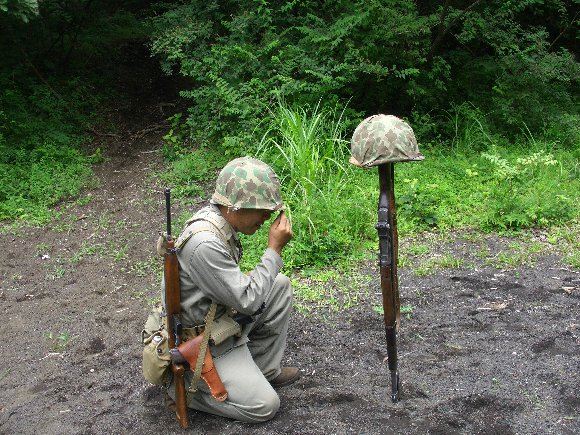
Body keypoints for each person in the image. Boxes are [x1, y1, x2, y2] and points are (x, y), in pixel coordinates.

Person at [163, 156, 299, 423]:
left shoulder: (220, 223)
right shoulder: (204, 243)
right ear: (234, 207)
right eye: (261, 210)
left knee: (278, 286)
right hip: (201, 342)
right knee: (265, 406)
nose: (266, 217)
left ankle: (263, 371)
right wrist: (274, 250)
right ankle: (184, 389)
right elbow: (247, 301)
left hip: (219, 320)